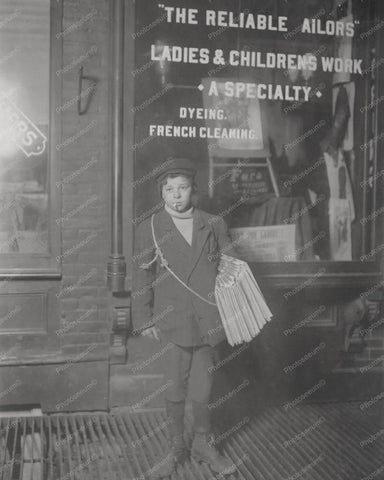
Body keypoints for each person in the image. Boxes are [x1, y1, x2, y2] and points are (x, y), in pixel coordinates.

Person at [132, 157, 237, 478]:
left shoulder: (214, 224)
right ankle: (175, 448)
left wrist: (233, 300)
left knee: (203, 390)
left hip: (208, 320)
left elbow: (232, 268)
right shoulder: (149, 227)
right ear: (161, 194)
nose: (176, 195)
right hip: (172, 321)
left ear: (194, 191)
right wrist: (144, 319)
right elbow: (141, 278)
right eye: (169, 189)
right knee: (174, 389)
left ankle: (203, 444)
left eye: (183, 188)